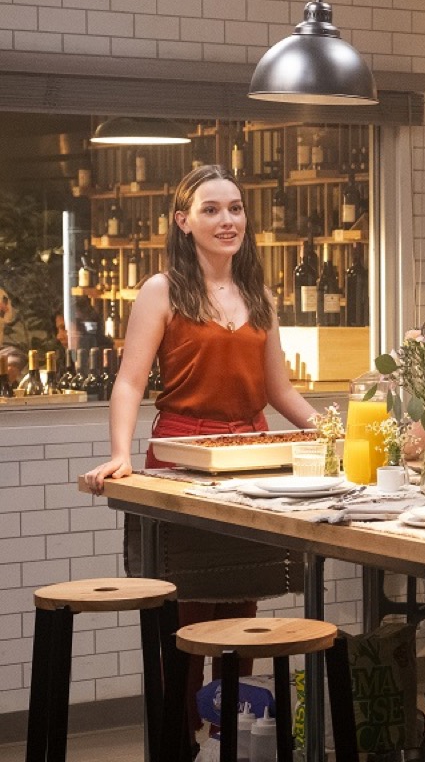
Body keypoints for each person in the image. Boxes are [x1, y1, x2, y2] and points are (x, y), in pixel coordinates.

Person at [83, 165, 319, 738]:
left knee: (240, 613)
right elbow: (130, 382)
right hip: (181, 458)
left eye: (235, 208)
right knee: (185, 620)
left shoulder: (260, 295)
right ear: (183, 221)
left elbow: (280, 391)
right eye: (211, 210)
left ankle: (229, 741)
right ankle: (178, 740)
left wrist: (336, 435)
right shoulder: (161, 290)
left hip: (250, 461)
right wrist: (120, 453)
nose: (227, 220)